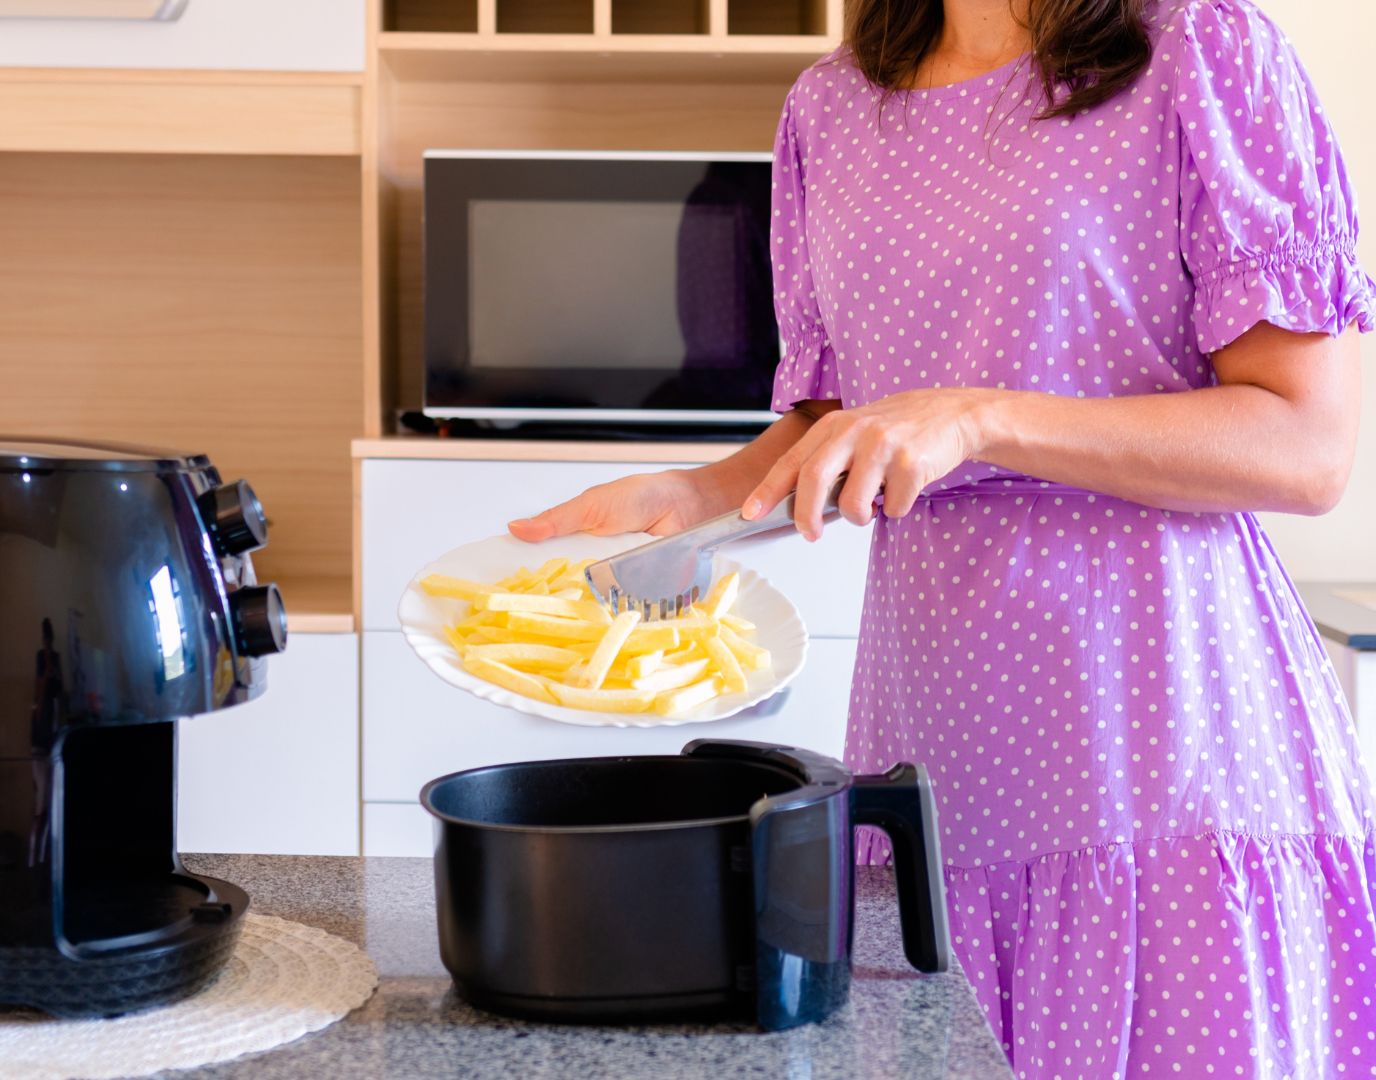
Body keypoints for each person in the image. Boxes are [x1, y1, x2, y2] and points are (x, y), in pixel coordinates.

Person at [508, 0, 1376, 1073]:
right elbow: (850, 426)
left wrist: (980, 415)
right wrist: (699, 498)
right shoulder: (832, 107)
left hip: (1156, 745)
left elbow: (1305, 444)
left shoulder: (1201, 51)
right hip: (934, 745)